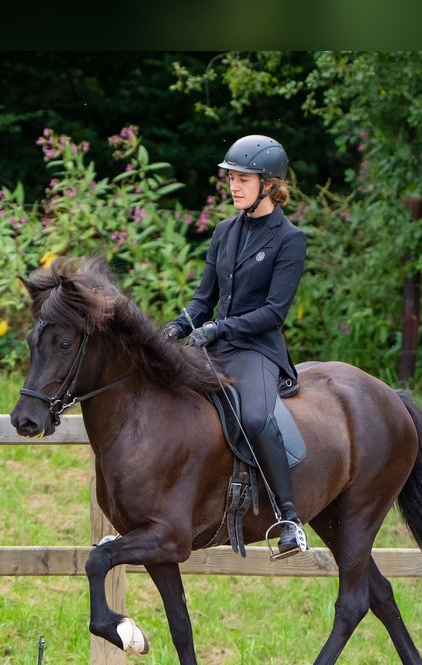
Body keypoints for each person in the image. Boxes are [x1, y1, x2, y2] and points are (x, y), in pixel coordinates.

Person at [161, 134, 309, 559]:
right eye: (231, 178)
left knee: (257, 417)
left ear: (269, 183)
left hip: (256, 350)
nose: (233, 185)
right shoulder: (225, 232)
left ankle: (289, 518)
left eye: (243, 178)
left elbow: (274, 313)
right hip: (215, 344)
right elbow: (203, 298)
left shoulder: (289, 239)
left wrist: (219, 329)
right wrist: (177, 326)